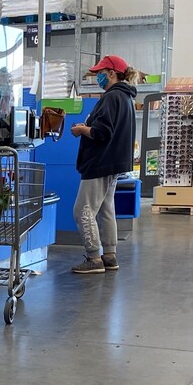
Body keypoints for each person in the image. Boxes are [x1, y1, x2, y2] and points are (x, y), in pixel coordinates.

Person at [70, 55, 138, 274]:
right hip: (114, 163)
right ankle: (109, 255)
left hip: (99, 162)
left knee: (82, 210)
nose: (97, 76)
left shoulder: (111, 97)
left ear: (112, 73)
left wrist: (82, 130)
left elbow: (102, 132)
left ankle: (93, 258)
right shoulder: (126, 98)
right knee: (106, 209)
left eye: (100, 73)